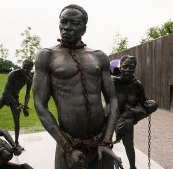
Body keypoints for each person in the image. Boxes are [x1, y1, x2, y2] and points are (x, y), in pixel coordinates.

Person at [33, 4, 118, 169]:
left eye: (74, 23)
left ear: (84, 29)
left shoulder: (99, 56)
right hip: (70, 145)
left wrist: (107, 141)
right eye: (63, 22)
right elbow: (40, 105)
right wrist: (67, 148)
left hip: (101, 144)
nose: (67, 27)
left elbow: (113, 101)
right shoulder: (47, 56)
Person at [112, 55, 158, 169]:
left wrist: (133, 114)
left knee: (128, 145)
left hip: (128, 118)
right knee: (105, 142)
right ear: (120, 66)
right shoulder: (113, 82)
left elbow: (144, 105)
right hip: (112, 116)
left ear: (135, 67)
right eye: (125, 66)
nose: (128, 70)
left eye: (131, 67)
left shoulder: (137, 85)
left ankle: (132, 167)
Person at [0, 59, 34, 149]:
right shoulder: (13, 74)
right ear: (22, 66)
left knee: (17, 123)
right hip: (5, 97)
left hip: (15, 98)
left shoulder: (29, 78)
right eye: (24, 68)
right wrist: (17, 104)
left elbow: (27, 94)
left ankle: (16, 143)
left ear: (31, 68)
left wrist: (25, 107)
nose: (26, 70)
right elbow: (6, 91)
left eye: (28, 69)